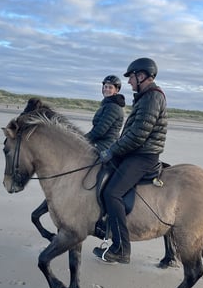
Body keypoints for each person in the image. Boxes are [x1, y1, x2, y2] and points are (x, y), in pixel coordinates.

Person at [30, 75, 126, 240]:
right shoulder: (107, 105)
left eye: (110, 87)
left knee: (91, 177)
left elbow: (100, 132)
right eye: (105, 86)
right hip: (98, 144)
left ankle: (100, 216)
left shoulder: (113, 108)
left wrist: (77, 141)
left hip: (105, 147)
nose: (106, 89)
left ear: (116, 90)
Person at [93, 57, 167, 264]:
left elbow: (137, 135)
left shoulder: (152, 97)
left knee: (112, 192)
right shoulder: (145, 96)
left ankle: (121, 249)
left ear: (141, 76)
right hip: (136, 152)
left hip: (143, 156)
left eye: (131, 77)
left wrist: (111, 151)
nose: (129, 82)